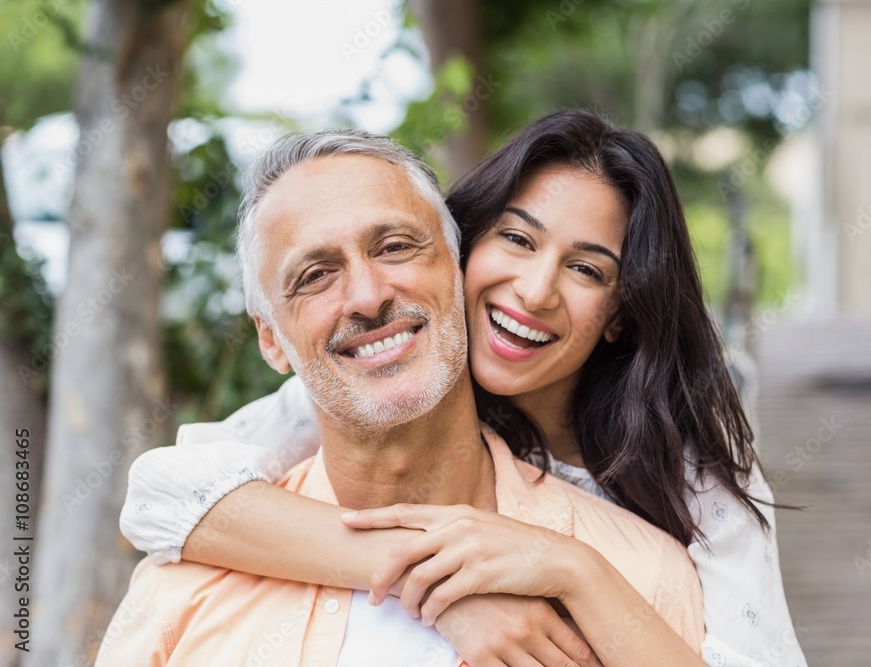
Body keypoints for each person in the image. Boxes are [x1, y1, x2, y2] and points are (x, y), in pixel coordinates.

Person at [120, 110, 807, 665]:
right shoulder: (344, 389)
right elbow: (163, 495)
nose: (534, 291)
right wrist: (439, 585)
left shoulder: (691, 484)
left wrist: (574, 569)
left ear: (620, 315)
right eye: (517, 238)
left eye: (588, 270)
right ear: (468, 251)